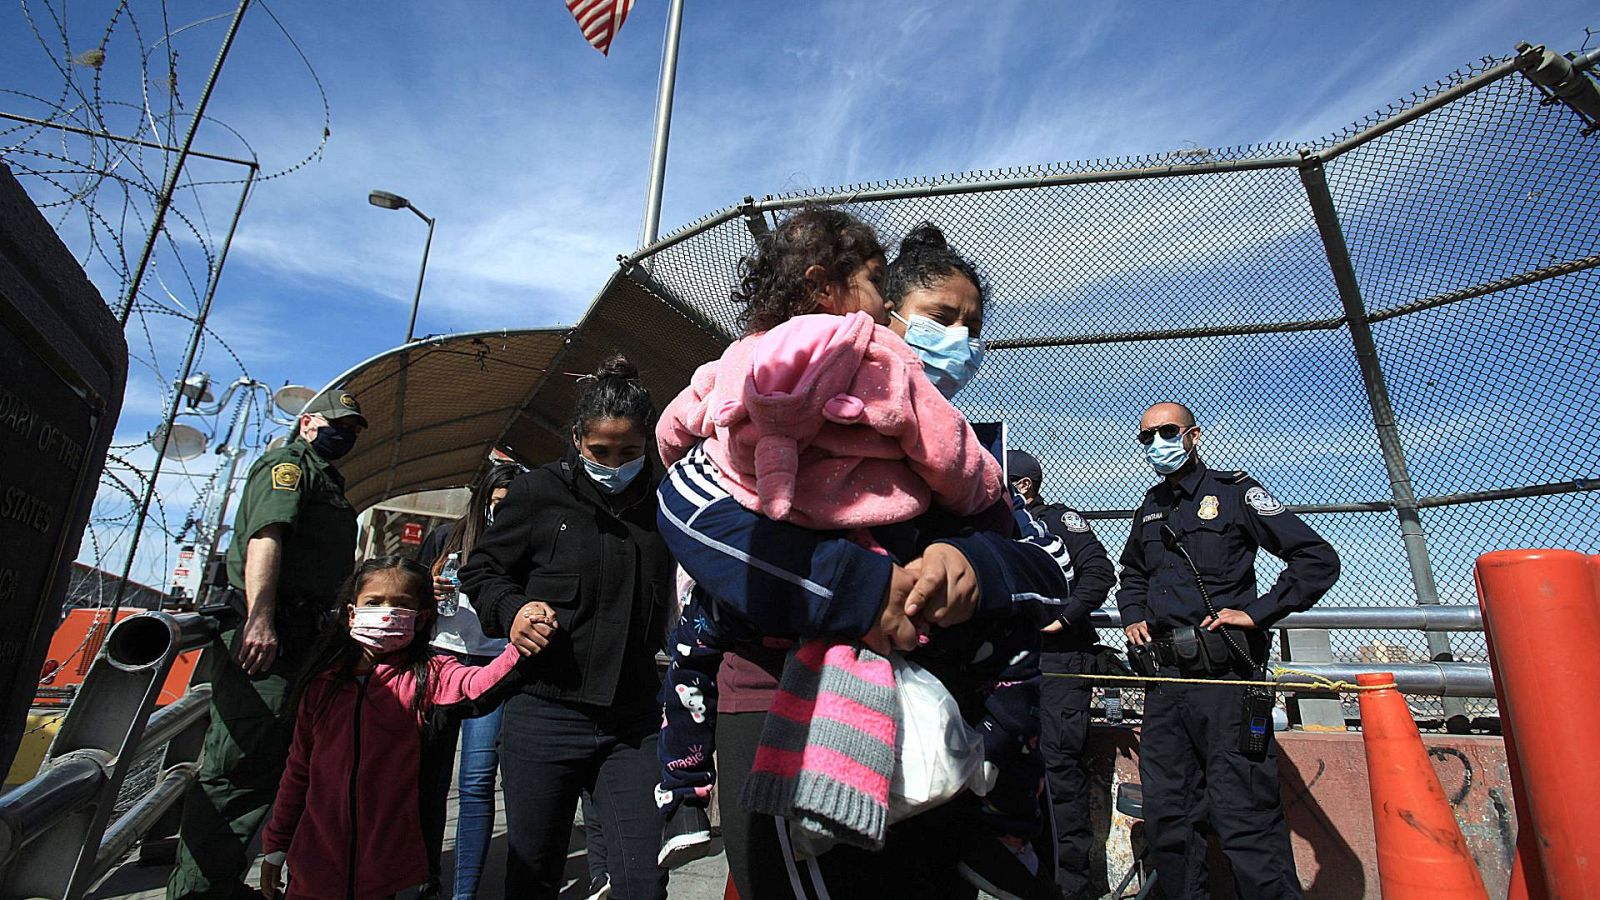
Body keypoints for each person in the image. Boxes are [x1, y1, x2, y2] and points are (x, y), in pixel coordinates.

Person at [656, 216, 1072, 900]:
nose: (959, 344)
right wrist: (863, 591)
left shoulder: (960, 452)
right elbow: (690, 508)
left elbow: (1049, 563)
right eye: (939, 319)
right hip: (781, 706)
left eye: (972, 328)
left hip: (942, 724)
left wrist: (972, 564)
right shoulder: (746, 426)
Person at [460, 354, 673, 900]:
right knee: (532, 873)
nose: (615, 464)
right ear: (576, 438)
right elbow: (482, 571)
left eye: (630, 452)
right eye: (600, 452)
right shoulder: (537, 493)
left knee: (641, 879)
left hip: (632, 722)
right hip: (544, 713)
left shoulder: (667, 499)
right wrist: (513, 612)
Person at [1116, 402, 1340, 900]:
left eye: (1167, 432)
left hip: (1226, 684)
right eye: (1146, 436)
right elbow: (1131, 573)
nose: (1157, 443)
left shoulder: (1235, 493)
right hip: (1165, 685)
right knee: (1170, 817)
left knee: (1245, 815)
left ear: (1193, 435)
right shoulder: (1150, 508)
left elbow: (1316, 558)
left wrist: (1259, 613)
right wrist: (1132, 613)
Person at [167, 390, 368, 900]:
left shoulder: (326, 477)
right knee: (239, 765)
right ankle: (200, 890)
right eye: (336, 423)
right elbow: (266, 536)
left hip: (306, 637)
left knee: (274, 762)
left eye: (353, 428)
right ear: (307, 423)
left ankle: (223, 881)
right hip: (273, 634)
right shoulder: (287, 467)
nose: (344, 434)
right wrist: (260, 619)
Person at [260, 556, 525, 900]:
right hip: (313, 867)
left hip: (386, 874)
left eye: (401, 605)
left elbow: (475, 685)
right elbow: (298, 772)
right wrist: (277, 844)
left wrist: (520, 645)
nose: (386, 613)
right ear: (352, 613)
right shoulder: (322, 683)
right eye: (374, 602)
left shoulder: (430, 673)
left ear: (422, 617)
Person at [1006, 448, 1117, 900]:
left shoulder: (1058, 519)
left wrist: (1064, 618)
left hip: (1060, 660)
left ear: (1023, 485)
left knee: (1059, 768)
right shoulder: (995, 528)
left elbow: (1099, 572)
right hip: (1015, 664)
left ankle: (1071, 887)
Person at [417, 464, 519, 900]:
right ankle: (425, 875)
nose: (503, 512)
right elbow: (407, 591)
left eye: (511, 504)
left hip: (491, 667)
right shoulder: (446, 539)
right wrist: (426, 588)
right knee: (430, 778)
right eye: (496, 503)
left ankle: (465, 891)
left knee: (477, 782)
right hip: (439, 661)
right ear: (482, 499)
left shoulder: (526, 543)